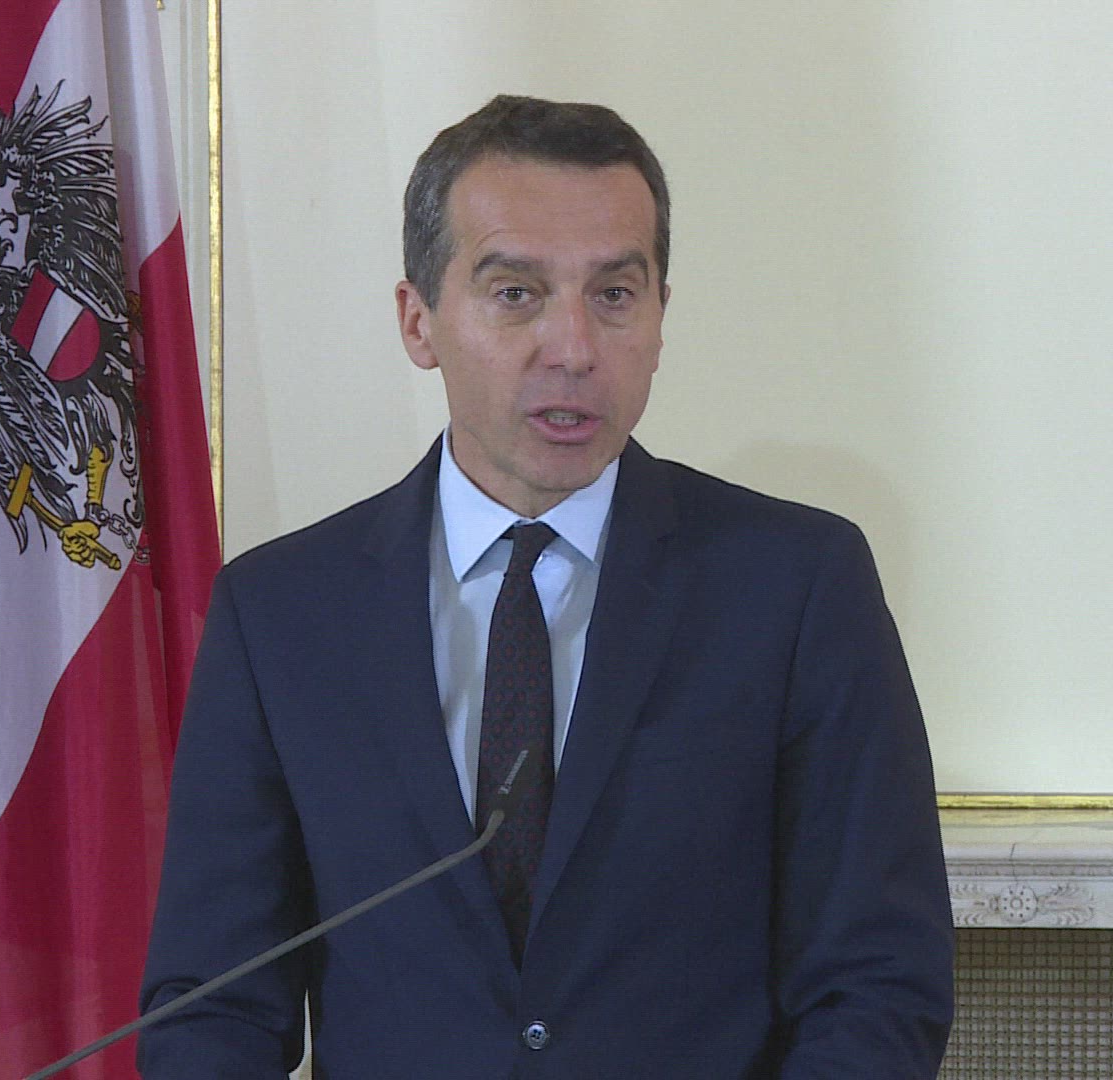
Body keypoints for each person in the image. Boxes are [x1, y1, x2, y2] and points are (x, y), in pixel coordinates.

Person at [139, 94, 954, 1079]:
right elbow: (213, 1008)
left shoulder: (795, 588)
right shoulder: (282, 616)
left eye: (614, 295)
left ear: (659, 316)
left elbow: (876, 986)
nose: (573, 348)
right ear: (418, 321)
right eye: (516, 293)